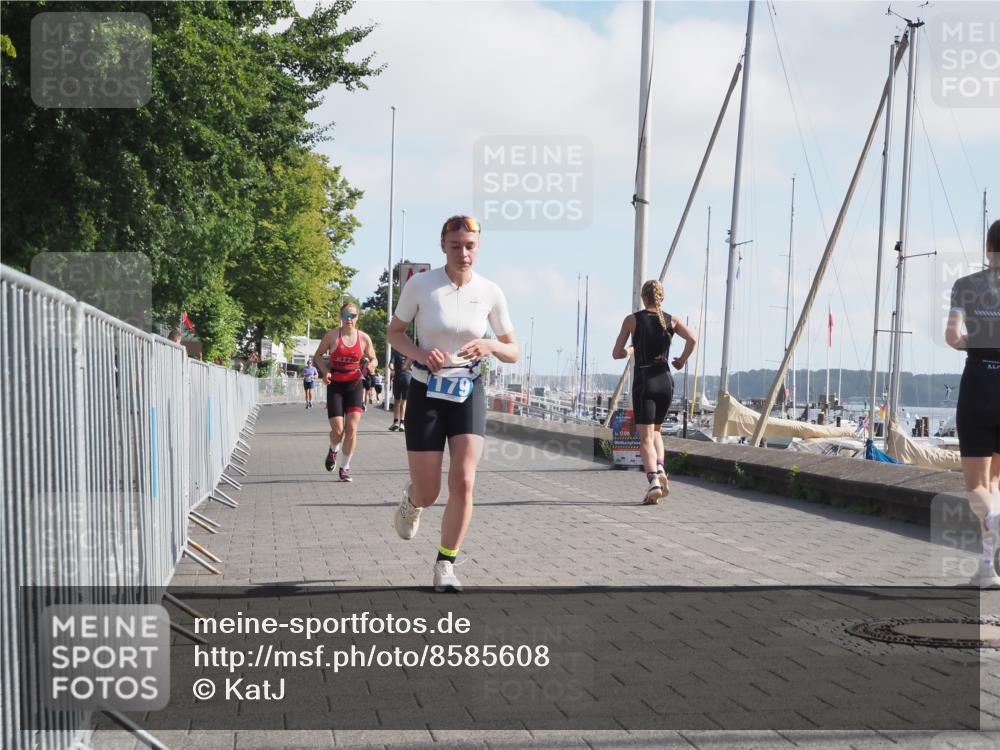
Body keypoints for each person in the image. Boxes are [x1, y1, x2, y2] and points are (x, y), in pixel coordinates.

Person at [387, 215, 518, 591]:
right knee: (429, 491)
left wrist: (490, 344)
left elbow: (513, 350)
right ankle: (412, 503)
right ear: (443, 246)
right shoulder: (421, 286)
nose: (464, 253)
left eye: (470, 246)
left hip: (468, 391)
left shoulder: (490, 291)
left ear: (479, 247)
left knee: (463, 480)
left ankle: (446, 563)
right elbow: (394, 333)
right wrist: (418, 354)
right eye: (456, 245)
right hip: (426, 390)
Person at [946, 218, 1000, 587]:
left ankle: (995, 522)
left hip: (980, 381)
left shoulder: (966, 286)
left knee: (977, 487)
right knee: (995, 481)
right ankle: (987, 568)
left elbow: (952, 336)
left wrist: (974, 343)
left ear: (987, 248)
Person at [612, 279, 696, 505]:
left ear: (643, 297)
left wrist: (631, 349)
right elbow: (693, 339)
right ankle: (660, 468)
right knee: (657, 432)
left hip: (645, 380)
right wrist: (681, 361)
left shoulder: (632, 320)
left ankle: (653, 482)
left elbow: (616, 353)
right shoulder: (672, 320)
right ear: (661, 298)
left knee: (645, 438)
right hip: (665, 381)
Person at [313, 303, 378, 482]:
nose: (349, 319)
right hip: (336, 385)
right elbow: (317, 356)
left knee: (352, 428)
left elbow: (373, 358)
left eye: (353, 315)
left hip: (354, 384)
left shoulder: (364, 338)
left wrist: (372, 364)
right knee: (338, 429)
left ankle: (345, 467)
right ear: (340, 316)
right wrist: (325, 372)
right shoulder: (332, 336)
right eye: (346, 315)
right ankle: (333, 449)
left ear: (358, 317)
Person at [389, 349, 413, 432]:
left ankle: (395, 422)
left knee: (397, 401)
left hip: (398, 377)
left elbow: (391, 365)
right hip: (408, 377)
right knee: (404, 401)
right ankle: (402, 423)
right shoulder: (410, 352)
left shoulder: (395, 352)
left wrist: (392, 369)